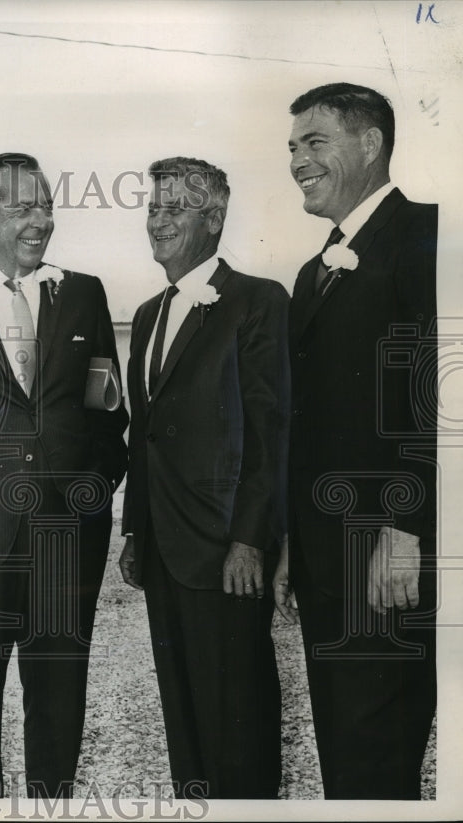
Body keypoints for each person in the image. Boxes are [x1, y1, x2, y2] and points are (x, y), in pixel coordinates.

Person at [0, 153, 128, 798]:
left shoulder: (84, 293)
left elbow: (105, 408)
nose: (40, 222)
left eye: (46, 206)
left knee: (60, 692)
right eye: (21, 209)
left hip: (67, 537)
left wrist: (93, 491)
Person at [275, 82, 437, 799]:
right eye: (291, 148)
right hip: (325, 561)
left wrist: (407, 527)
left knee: (380, 751)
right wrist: (287, 542)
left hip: (387, 556)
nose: (297, 162)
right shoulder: (314, 272)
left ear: (369, 144)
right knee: (346, 747)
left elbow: (442, 399)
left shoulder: (427, 235)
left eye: (314, 142)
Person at [118, 157, 289, 799]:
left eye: (174, 208)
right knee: (183, 722)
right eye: (153, 208)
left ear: (214, 219)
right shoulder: (145, 313)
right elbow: (147, 438)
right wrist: (135, 532)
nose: (158, 220)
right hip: (164, 551)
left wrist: (250, 539)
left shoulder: (257, 301)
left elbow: (269, 431)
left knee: (237, 724)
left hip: (225, 553)